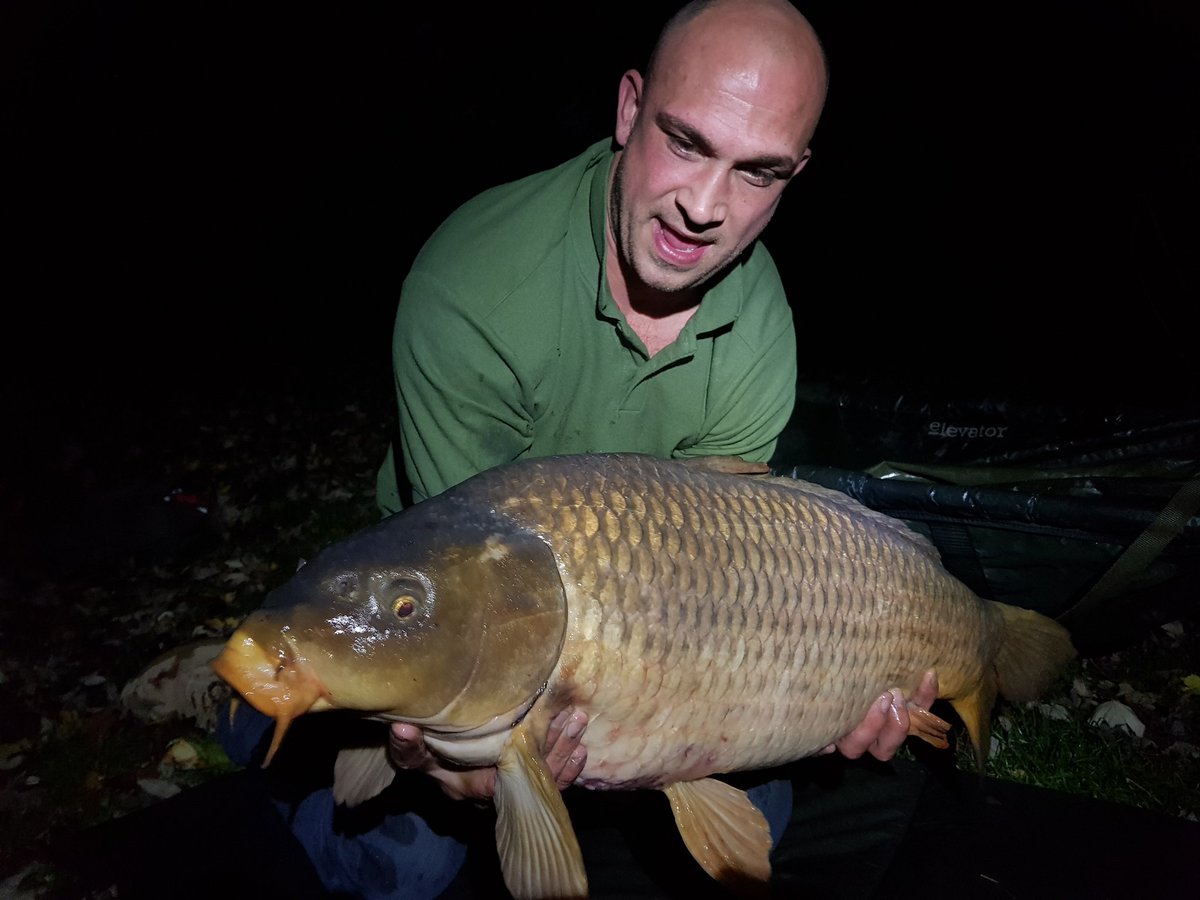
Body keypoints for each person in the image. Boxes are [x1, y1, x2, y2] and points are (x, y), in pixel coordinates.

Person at [224, 2, 938, 897]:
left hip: (651, 615)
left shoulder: (758, 326)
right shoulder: (475, 285)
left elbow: (728, 569)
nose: (704, 207)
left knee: (771, 804)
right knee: (404, 861)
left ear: (794, 174)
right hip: (472, 612)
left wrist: (820, 692)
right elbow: (460, 569)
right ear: (630, 108)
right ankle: (265, 738)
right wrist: (451, 761)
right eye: (686, 142)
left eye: (756, 172)